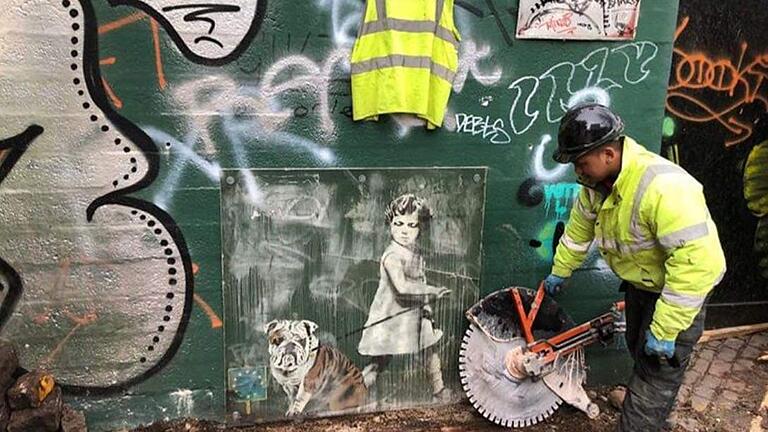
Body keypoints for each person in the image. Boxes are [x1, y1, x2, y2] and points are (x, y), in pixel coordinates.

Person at [543, 103, 726, 431]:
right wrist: (561, 269)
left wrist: (667, 327)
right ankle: (656, 420)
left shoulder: (664, 189)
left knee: (654, 377)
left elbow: (700, 263)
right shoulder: (597, 187)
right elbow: (578, 230)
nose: (577, 172)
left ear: (609, 155)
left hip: (680, 294)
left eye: (582, 163)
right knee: (641, 356)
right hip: (644, 286)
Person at [357, 193, 452, 401]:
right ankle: (355, 392)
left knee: (430, 349)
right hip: (392, 315)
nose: (404, 231)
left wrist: (427, 305)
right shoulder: (392, 255)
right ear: (390, 224)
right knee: (380, 361)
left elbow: (420, 279)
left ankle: (438, 389)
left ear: (421, 228)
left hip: (414, 314)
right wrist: (432, 290)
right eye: (398, 223)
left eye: (412, 225)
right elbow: (402, 287)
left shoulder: (415, 253)